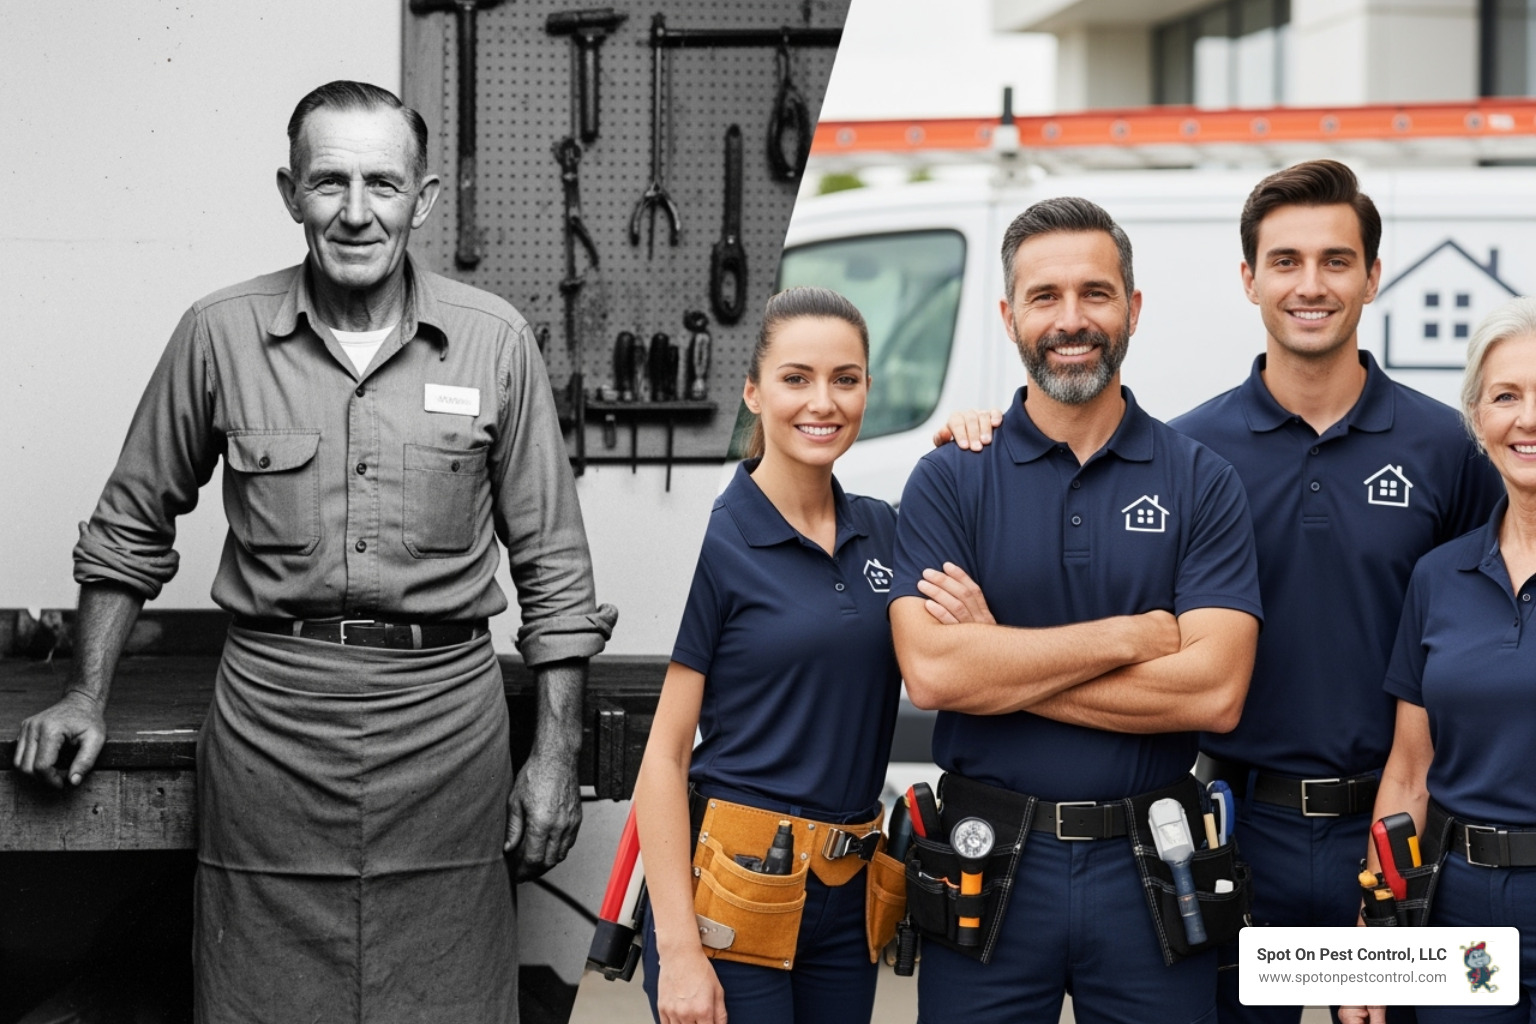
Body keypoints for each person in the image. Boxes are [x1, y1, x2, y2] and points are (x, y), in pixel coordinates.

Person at [10, 80, 616, 1022]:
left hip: (446, 727)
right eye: (329, 182)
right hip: (272, 726)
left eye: (383, 183)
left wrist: (554, 753)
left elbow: (554, 566)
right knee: (264, 999)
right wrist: (86, 693)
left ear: (423, 198)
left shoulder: (495, 343)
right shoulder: (219, 334)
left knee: (448, 1002)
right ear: (290, 192)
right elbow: (131, 524)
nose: (358, 211)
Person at [890, 195, 1263, 1024]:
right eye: (1045, 296)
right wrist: (1130, 636)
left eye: (1095, 293)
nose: (1071, 319)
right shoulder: (951, 478)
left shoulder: (1200, 480)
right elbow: (934, 672)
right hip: (985, 865)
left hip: (1152, 867)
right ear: (1009, 315)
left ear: (1132, 308)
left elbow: (1212, 694)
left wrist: (1001, 658)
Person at [1168, 160, 1501, 1024]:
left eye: (1336, 261)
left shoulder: (1447, 449)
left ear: (1373, 275)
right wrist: (978, 429)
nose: (1310, 286)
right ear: (1249, 280)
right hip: (1241, 834)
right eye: (1284, 261)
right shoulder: (1187, 454)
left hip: (1406, 835)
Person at [632, 287, 988, 1024]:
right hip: (733, 895)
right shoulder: (713, 542)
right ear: (753, 391)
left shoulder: (887, 531)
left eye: (845, 379)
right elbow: (661, 759)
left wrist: (977, 442)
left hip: (848, 894)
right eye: (796, 378)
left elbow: (964, 653)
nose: (822, 402)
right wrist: (681, 950)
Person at [1341, 296, 1536, 1024]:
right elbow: (1409, 774)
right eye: (1505, 397)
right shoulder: (1438, 577)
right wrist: (1376, 941)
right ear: (1477, 419)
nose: (1527, 420)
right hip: (1463, 912)